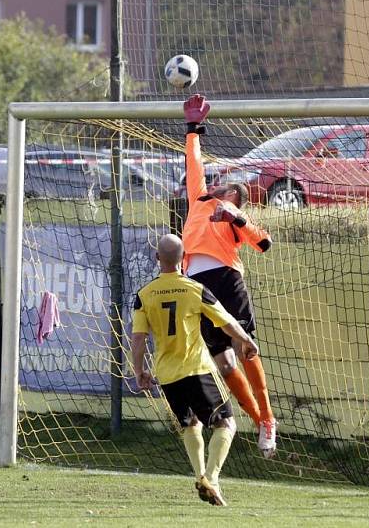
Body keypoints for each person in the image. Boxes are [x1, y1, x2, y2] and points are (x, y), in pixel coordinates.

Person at [131, 234, 260, 506]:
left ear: (157, 259)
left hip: (166, 374)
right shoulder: (195, 289)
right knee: (226, 424)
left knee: (190, 424)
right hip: (196, 369)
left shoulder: (143, 296)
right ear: (184, 257)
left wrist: (139, 370)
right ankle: (211, 478)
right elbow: (225, 321)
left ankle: (201, 476)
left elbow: (139, 338)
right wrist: (246, 340)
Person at [181, 94, 277, 457]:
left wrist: (237, 218)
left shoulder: (236, 222)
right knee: (222, 362)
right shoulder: (200, 201)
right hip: (198, 285)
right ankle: (259, 420)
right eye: (228, 189)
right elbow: (194, 164)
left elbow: (263, 243)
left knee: (245, 348)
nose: (230, 192)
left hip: (226, 278)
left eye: (238, 195)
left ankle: (267, 417)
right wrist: (193, 129)